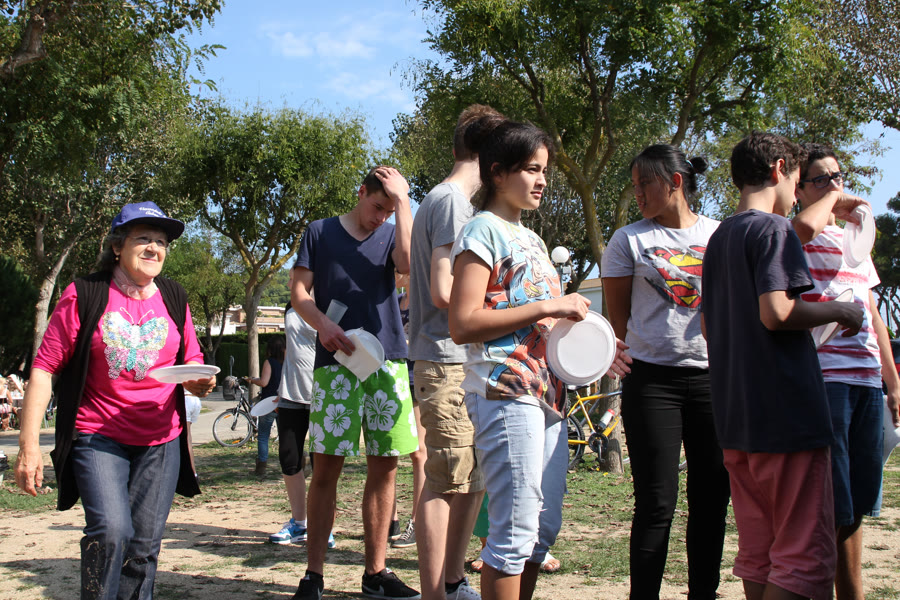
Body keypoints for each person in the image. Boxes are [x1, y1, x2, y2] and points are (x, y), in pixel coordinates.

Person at [448, 119, 630, 600]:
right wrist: (551, 304)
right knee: (513, 534)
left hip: (548, 397)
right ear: (497, 172)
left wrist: (594, 348)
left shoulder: (530, 238)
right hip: (505, 392)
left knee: (539, 533)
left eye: (544, 170)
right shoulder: (481, 231)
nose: (542, 180)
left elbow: (540, 322)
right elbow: (463, 322)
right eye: (531, 169)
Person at [13, 201, 215, 599]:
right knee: (111, 531)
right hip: (98, 435)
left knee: (143, 547)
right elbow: (44, 368)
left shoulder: (174, 295)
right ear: (117, 246)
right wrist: (28, 446)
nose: (154, 248)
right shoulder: (84, 294)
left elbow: (191, 360)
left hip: (161, 440)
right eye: (144, 238)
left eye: (162, 241)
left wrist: (198, 380)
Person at [701, 132, 864, 600]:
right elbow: (777, 312)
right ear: (778, 169)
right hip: (787, 417)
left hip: (737, 420)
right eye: (796, 181)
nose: (795, 195)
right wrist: (841, 310)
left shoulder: (719, 238)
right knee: (802, 557)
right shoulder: (774, 230)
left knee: (761, 551)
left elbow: (709, 328)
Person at [601, 144, 730, 600]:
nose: (637, 193)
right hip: (652, 381)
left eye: (645, 184)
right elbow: (617, 322)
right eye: (634, 184)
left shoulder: (720, 235)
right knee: (656, 503)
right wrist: (612, 354)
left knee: (712, 500)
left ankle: (703, 594)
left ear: (675, 182)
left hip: (714, 380)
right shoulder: (628, 240)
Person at [290, 166, 420, 600]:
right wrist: (323, 325)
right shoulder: (320, 232)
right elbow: (299, 293)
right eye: (377, 206)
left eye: (389, 210)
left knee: (386, 465)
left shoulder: (395, 233)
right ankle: (313, 575)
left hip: (388, 362)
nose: (380, 217)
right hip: (335, 362)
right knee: (326, 467)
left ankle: (375, 573)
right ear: (361, 192)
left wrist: (404, 203)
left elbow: (406, 265)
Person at [791, 143, 900, 600]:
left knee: (856, 501)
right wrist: (831, 203)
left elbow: (874, 315)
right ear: (798, 190)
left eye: (838, 177)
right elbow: (797, 232)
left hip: (866, 383)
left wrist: (892, 382)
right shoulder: (794, 237)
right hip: (826, 381)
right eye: (821, 180)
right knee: (832, 502)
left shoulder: (856, 243)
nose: (835, 186)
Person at [409, 104, 504, 600]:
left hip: (462, 361)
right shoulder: (450, 202)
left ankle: (452, 581)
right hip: (443, 359)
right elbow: (446, 291)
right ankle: (435, 594)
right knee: (445, 479)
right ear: (489, 156)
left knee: (473, 478)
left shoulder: (456, 203)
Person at [267, 294, 335, 549]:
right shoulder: (290, 304)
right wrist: (279, 388)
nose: (291, 279)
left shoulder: (330, 300)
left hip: (322, 393)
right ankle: (299, 523)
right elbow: (291, 349)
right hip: (290, 393)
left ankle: (324, 526)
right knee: (289, 458)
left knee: (323, 465)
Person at [390, 271, 427, 548]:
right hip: (393, 379)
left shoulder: (425, 300)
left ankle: (418, 521)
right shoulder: (395, 301)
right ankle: (390, 520)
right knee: (389, 449)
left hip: (417, 381)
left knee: (418, 453)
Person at [245, 337, 285, 477]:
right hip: (284, 402)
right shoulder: (288, 362)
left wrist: (252, 380)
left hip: (269, 403)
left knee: (263, 436)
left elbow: (264, 382)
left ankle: (261, 467)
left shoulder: (269, 362)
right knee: (284, 436)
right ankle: (287, 465)